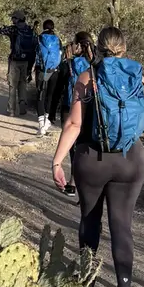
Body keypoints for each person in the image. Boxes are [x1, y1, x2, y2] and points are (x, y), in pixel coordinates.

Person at [51, 26, 144, 287]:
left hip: (92, 160)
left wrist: (57, 162)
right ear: (124, 47)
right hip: (129, 159)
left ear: (97, 48)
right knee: (122, 227)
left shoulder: (88, 77)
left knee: (90, 222)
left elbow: (74, 124)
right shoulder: (139, 78)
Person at [53, 33, 94, 195]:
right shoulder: (95, 65)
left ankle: (73, 181)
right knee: (86, 144)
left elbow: (57, 89)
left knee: (72, 145)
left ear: (77, 45)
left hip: (69, 107)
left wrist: (50, 112)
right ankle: (85, 181)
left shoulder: (68, 64)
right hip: (90, 109)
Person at [0, 10, 38, 117]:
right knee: (22, 83)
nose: (12, 19)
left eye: (13, 18)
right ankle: (22, 106)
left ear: (18, 19)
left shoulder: (13, 29)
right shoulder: (30, 30)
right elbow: (34, 49)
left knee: (12, 85)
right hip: (26, 61)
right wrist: (30, 67)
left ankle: (11, 110)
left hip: (14, 60)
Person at [34, 19, 64, 136]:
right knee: (50, 95)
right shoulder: (57, 39)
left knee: (40, 95)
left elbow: (35, 54)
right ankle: (47, 121)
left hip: (41, 70)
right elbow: (61, 55)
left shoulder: (39, 38)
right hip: (54, 71)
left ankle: (41, 124)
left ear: (43, 27)